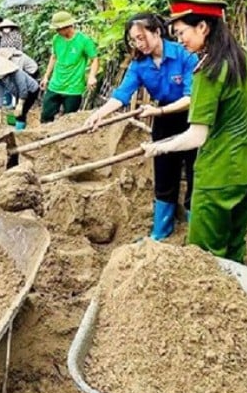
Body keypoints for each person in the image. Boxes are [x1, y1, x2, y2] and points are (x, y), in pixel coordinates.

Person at [141, 0, 247, 264]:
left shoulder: (207, 71)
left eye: (182, 32)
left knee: (206, 259)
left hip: (219, 177)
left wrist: (159, 147)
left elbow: (197, 136)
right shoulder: (246, 58)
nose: (180, 40)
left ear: (203, 27)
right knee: (234, 246)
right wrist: (236, 113)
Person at [85, 13, 199, 240]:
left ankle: (195, 227)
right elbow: (122, 95)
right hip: (164, 120)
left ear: (157, 32)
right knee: (165, 171)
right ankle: (161, 230)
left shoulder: (184, 55)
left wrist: (159, 111)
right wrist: (98, 115)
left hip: (193, 118)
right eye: (134, 40)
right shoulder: (140, 65)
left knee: (196, 168)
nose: (139, 44)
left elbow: (191, 96)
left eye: (142, 37)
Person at [40, 11, 99, 123]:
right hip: (55, 85)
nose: (57, 31)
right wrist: (46, 76)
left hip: (74, 88)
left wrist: (92, 76)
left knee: (69, 121)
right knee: (45, 116)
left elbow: (94, 59)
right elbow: (54, 57)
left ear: (68, 26)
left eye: (59, 29)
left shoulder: (84, 40)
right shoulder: (56, 39)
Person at [0, 51, 40, 131]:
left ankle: (19, 131)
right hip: (18, 93)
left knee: (21, 112)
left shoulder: (17, 73)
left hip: (31, 90)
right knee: (18, 111)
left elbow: (23, 89)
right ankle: (20, 125)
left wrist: (20, 104)